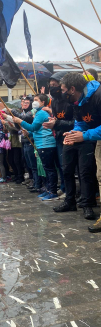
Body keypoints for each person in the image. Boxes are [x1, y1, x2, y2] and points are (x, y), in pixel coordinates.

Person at [53, 73, 100, 221]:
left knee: (87, 172)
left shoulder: (98, 96)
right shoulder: (77, 101)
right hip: (90, 135)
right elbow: (80, 121)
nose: (62, 93)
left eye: (63, 89)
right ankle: (70, 201)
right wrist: (74, 133)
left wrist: (84, 135)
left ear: (72, 89)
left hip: (92, 138)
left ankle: (88, 204)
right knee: (67, 169)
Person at [13, 94, 58, 201]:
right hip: (42, 143)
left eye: (36, 100)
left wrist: (20, 121)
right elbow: (36, 130)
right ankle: (49, 189)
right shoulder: (40, 113)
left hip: (46, 143)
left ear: (43, 102)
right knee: (47, 168)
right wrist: (29, 133)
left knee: (49, 169)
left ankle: (52, 191)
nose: (34, 102)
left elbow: (33, 127)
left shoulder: (41, 113)